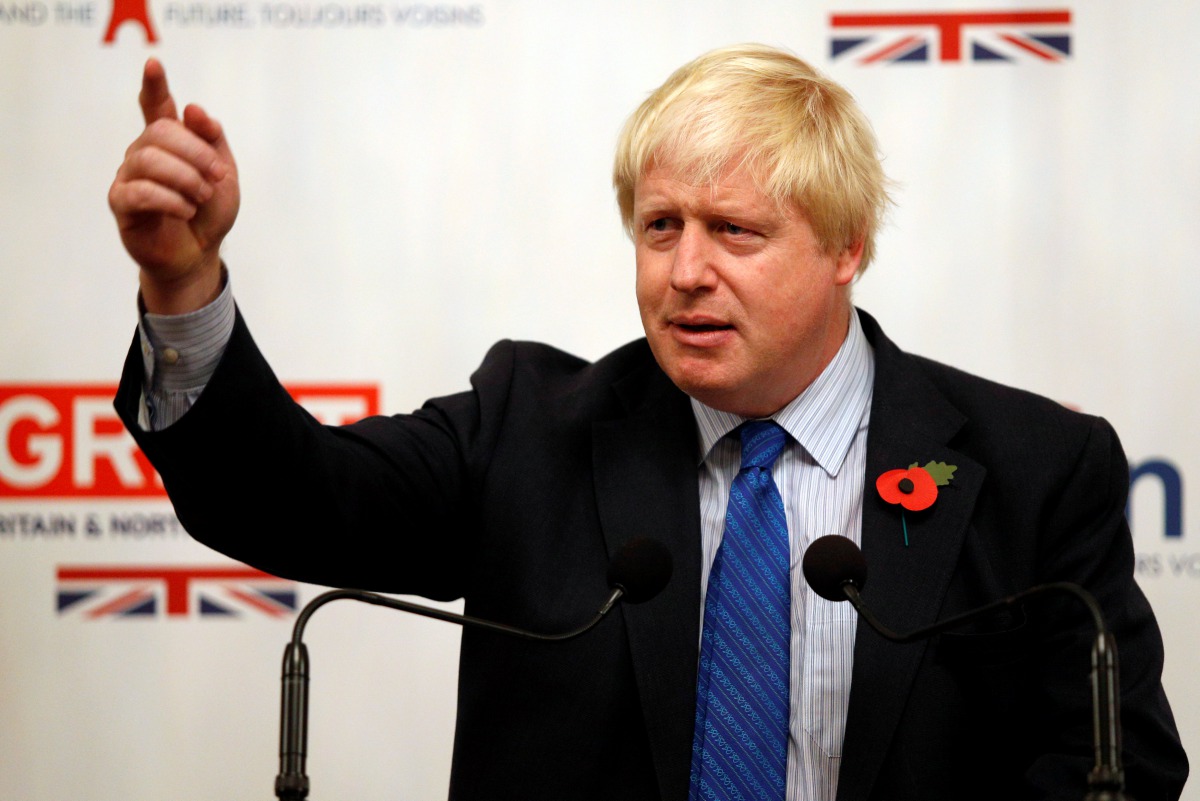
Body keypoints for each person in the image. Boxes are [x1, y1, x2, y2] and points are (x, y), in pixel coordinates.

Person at [109, 46, 1186, 801]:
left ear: (846, 247)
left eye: (735, 231)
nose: (686, 272)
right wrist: (184, 284)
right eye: (660, 226)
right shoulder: (529, 429)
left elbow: (1117, 765)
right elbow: (290, 496)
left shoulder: (1033, 469)